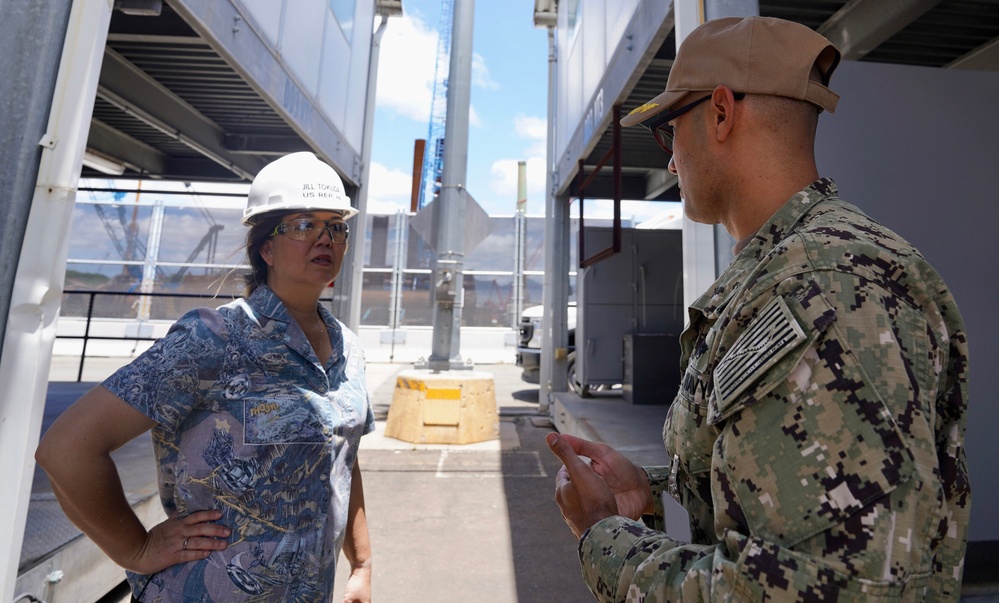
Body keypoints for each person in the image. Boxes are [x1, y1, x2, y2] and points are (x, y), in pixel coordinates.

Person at [547, 16, 970, 601]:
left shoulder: (826, 289)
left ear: (721, 112)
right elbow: (785, 476)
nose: (670, 163)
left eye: (671, 133)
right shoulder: (791, 273)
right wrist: (652, 487)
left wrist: (603, 537)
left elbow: (830, 587)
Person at [36, 151, 375, 602]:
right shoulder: (213, 339)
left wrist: (362, 565)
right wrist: (136, 548)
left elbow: (341, 458)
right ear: (266, 247)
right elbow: (67, 448)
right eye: (303, 224)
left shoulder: (348, 349)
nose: (325, 238)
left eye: (336, 226)